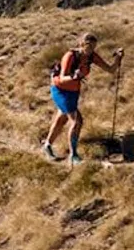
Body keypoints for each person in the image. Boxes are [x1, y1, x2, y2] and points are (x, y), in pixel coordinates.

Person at [43, 33, 122, 162]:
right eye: (88, 46)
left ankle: (47, 146)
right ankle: (73, 155)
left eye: (93, 47)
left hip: (74, 91)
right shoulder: (70, 56)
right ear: (81, 44)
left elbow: (110, 70)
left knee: (62, 118)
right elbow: (62, 78)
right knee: (77, 121)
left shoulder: (92, 57)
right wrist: (74, 76)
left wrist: (118, 59)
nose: (90, 49)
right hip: (60, 90)